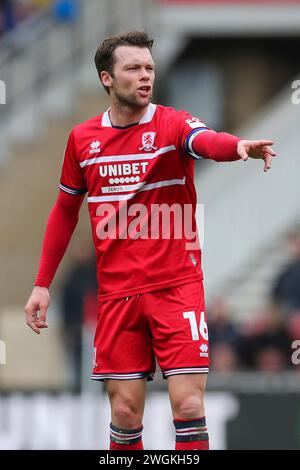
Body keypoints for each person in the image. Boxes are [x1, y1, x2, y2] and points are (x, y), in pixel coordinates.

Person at [24, 30, 276, 451]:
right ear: (107, 78)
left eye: (150, 69)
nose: (145, 76)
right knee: (124, 414)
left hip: (176, 287)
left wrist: (238, 147)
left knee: (190, 405)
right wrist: (42, 283)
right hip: (118, 294)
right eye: (134, 68)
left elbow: (206, 141)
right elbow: (65, 211)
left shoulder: (173, 123)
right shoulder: (82, 140)